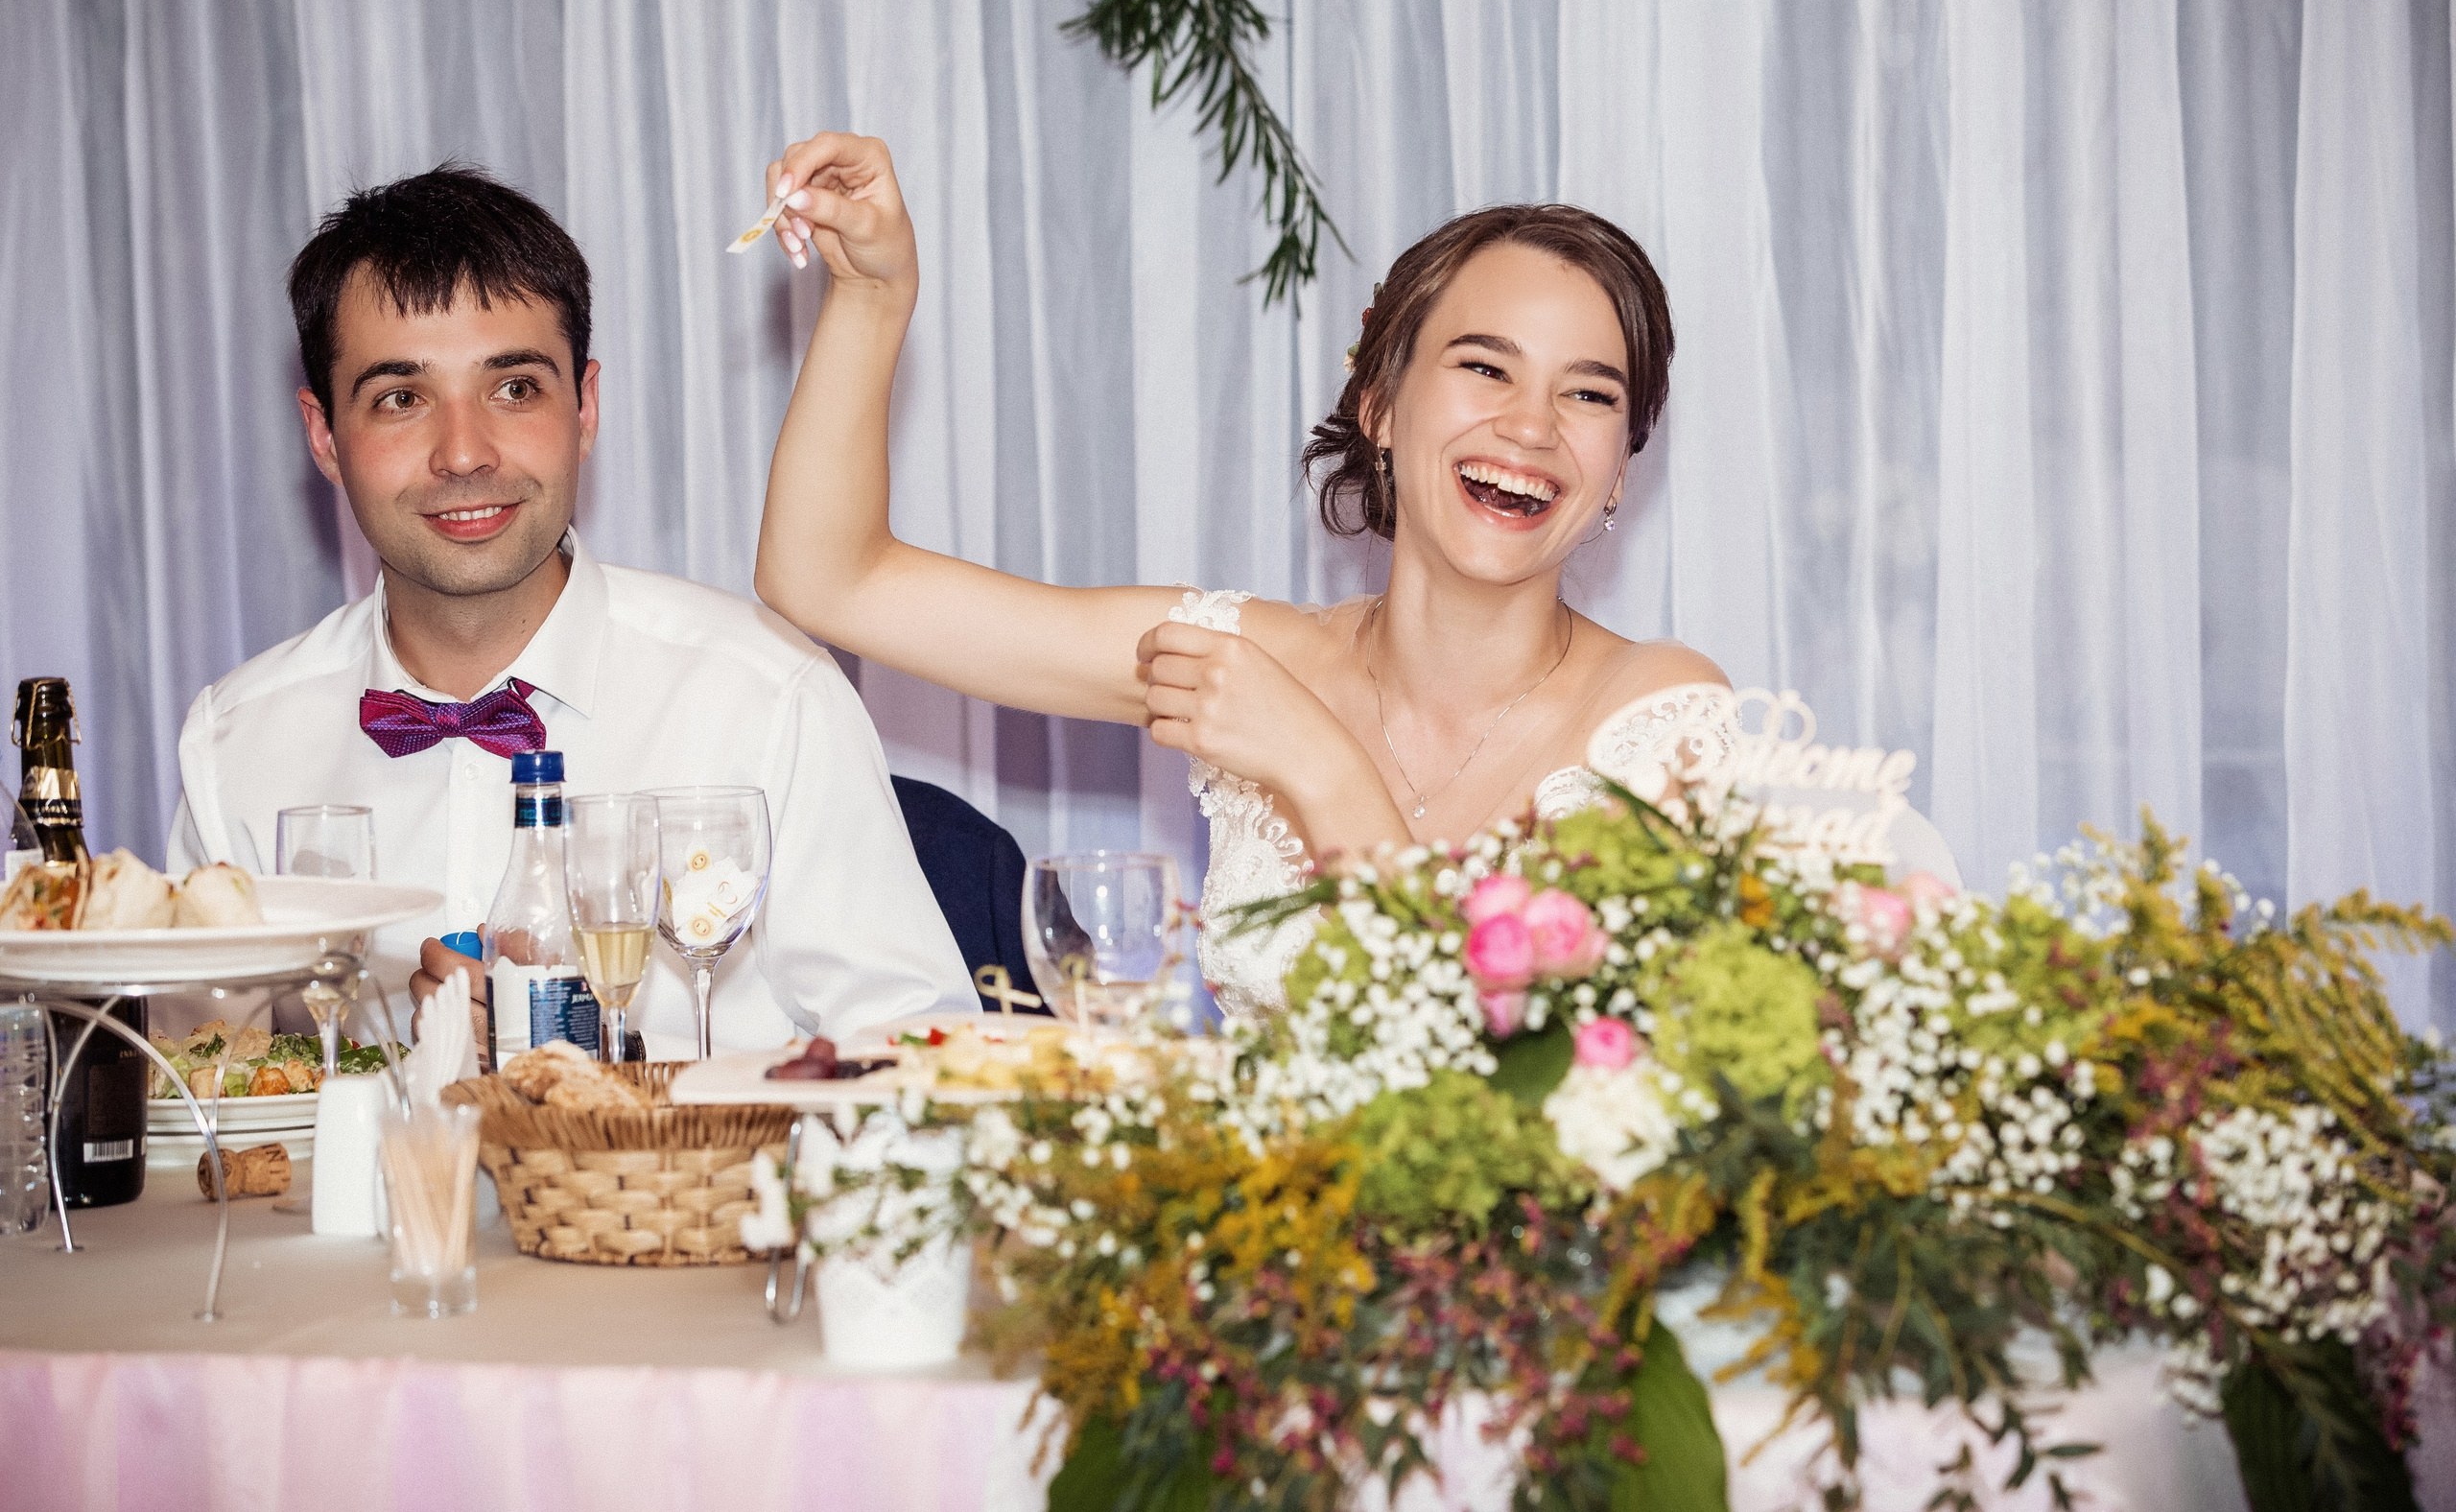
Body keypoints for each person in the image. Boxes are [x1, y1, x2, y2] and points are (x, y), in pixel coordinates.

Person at [749, 134, 1729, 1021]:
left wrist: (1317, 762)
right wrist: (875, 297)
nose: (1531, 425)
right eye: (1484, 367)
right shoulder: (1238, 657)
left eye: (1589, 392)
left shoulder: (1660, 722)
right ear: (1380, 405)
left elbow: (1500, 1080)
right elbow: (828, 577)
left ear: (1620, 465)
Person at [166, 164, 977, 1053]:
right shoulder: (237, 746)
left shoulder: (765, 697)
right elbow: (196, 1098)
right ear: (324, 436)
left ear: (585, 407)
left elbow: (920, 1063)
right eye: (401, 398)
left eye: (514, 388)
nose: (464, 453)